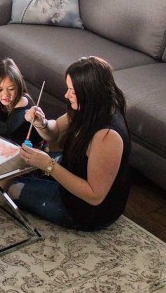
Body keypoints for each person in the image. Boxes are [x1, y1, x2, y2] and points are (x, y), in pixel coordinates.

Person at [14, 56, 131, 231]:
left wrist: (49, 166)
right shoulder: (87, 107)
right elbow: (53, 133)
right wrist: (41, 122)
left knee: (11, 188)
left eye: (72, 91)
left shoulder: (108, 136)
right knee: (19, 165)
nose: (66, 95)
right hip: (76, 169)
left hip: (88, 210)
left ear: (89, 92)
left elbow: (95, 196)